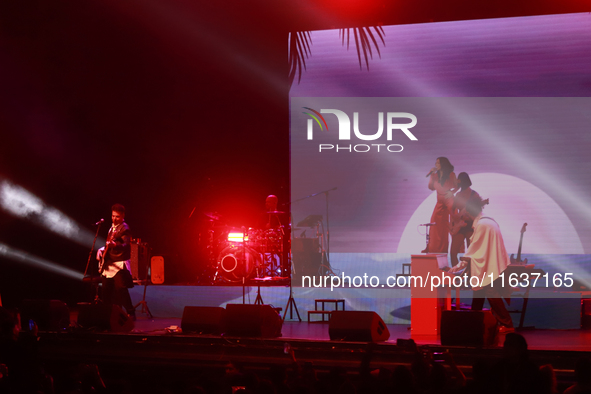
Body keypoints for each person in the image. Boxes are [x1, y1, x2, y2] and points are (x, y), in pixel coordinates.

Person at [449, 193, 514, 332]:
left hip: (490, 265)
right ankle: (474, 321)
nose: (464, 211)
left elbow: (473, 250)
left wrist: (456, 268)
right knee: (480, 292)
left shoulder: (483, 224)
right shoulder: (487, 221)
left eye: (466, 208)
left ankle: (507, 324)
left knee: (491, 292)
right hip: (491, 264)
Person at [97, 204, 135, 319]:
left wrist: (115, 245)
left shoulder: (125, 229)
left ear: (123, 216)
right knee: (105, 289)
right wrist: (102, 248)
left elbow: (126, 245)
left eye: (117, 216)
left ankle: (130, 312)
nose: (114, 219)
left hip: (119, 262)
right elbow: (109, 244)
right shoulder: (112, 227)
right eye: (113, 216)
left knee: (120, 289)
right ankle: (107, 312)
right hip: (109, 262)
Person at [423, 157, 457, 253]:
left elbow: (457, 185)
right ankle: (434, 248)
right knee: (434, 222)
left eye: (438, 163)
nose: (436, 165)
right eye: (436, 163)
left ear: (443, 164)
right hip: (440, 201)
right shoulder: (435, 175)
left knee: (454, 222)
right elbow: (431, 187)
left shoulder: (451, 174)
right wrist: (431, 175)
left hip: (449, 199)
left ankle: (458, 248)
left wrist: (453, 192)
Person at [449, 172, 482, 267]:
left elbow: (478, 211)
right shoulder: (458, 195)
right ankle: (456, 275)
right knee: (453, 252)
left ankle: (471, 274)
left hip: (470, 225)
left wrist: (470, 215)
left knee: (471, 252)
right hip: (460, 225)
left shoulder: (474, 194)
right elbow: (452, 208)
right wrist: (454, 217)